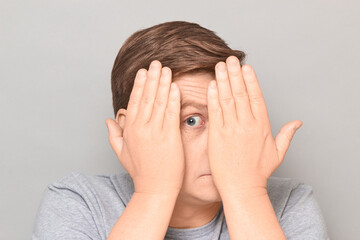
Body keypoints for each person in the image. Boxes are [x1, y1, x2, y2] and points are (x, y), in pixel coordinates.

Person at [32, 21, 329, 239]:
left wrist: (247, 192)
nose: (222, 141)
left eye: (229, 116)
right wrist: (153, 192)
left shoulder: (290, 202)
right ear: (129, 130)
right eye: (191, 120)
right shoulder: (77, 201)